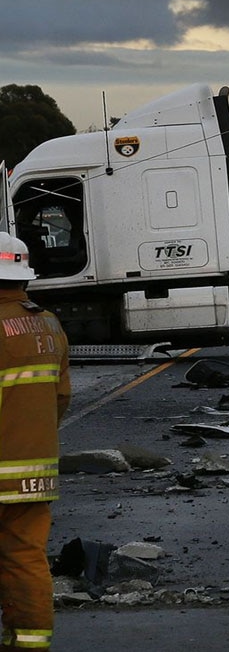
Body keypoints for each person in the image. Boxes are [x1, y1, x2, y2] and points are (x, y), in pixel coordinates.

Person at [0, 231, 71, 650]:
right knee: (26, 559)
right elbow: (61, 397)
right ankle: (28, 643)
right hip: (33, 471)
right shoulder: (47, 322)